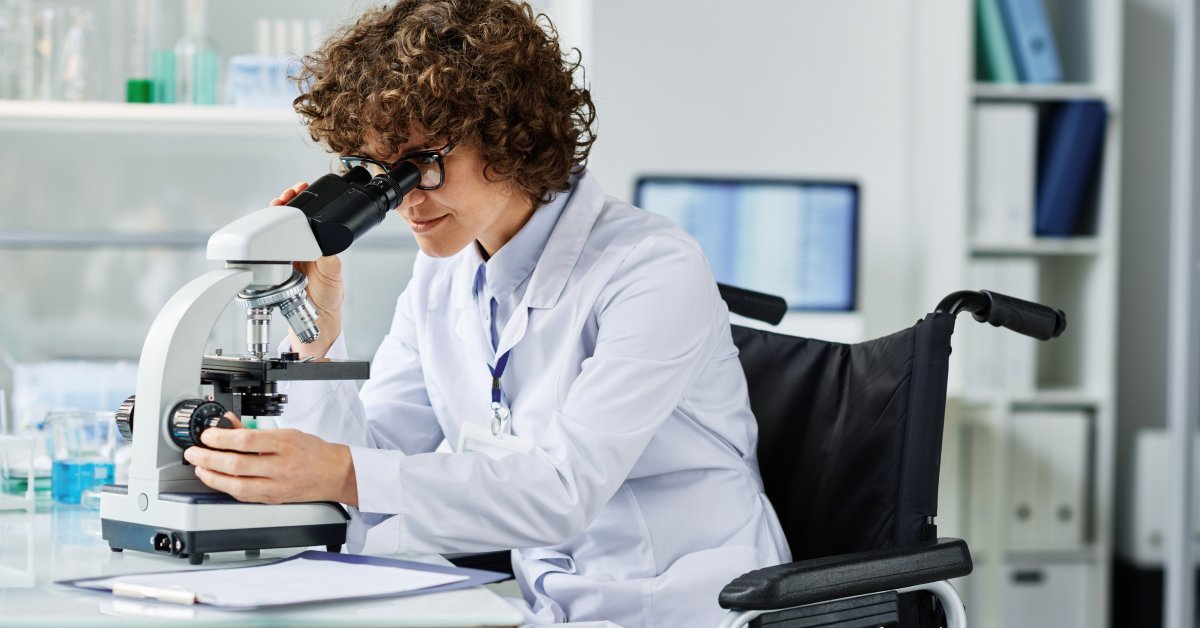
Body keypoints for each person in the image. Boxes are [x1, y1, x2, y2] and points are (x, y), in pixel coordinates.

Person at [182, 1, 790, 625]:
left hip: (686, 610)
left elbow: (560, 492)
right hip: (540, 606)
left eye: (422, 165)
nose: (405, 202)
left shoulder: (653, 267)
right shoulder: (442, 273)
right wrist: (319, 337)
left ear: (510, 135)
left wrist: (340, 472)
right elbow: (377, 463)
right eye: (382, 174)